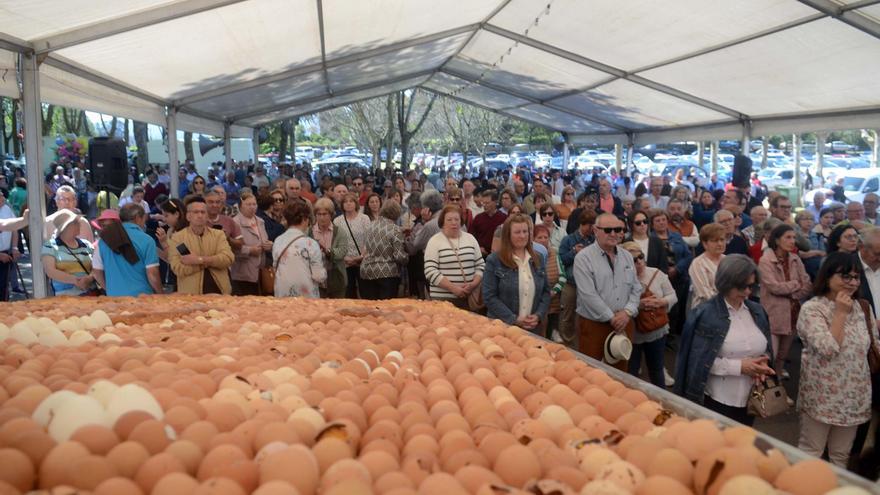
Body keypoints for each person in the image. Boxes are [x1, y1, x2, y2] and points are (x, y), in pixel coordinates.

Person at [797, 252, 878, 467]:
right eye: (845, 276)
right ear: (827, 276)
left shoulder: (862, 307)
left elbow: (874, 344)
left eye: (856, 277)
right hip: (822, 394)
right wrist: (841, 313)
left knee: (841, 456)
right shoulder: (812, 308)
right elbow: (828, 348)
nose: (852, 282)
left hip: (855, 395)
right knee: (811, 452)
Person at [674, 255, 775, 425]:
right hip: (716, 400)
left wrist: (763, 363)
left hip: (751, 400)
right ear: (726, 282)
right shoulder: (704, 314)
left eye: (750, 286)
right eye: (741, 287)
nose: (747, 292)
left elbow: (765, 347)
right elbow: (695, 363)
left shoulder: (757, 311)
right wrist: (739, 367)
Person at [573, 213, 641, 370]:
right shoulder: (583, 258)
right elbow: (588, 295)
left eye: (618, 230)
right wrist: (612, 318)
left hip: (624, 322)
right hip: (594, 325)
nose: (613, 234)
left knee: (621, 372)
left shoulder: (627, 256)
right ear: (596, 230)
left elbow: (636, 288)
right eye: (608, 230)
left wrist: (627, 312)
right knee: (590, 372)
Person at [759, 224, 812, 380]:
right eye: (788, 237)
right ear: (776, 240)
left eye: (794, 238)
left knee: (783, 355)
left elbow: (808, 285)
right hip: (773, 313)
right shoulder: (766, 260)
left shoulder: (795, 259)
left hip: (793, 311)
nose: (792, 241)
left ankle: (778, 388)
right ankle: (765, 392)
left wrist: (793, 294)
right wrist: (796, 285)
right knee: (771, 355)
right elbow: (774, 287)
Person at [621, 241, 677, 388]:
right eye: (634, 260)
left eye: (641, 257)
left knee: (657, 369)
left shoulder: (657, 273)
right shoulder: (620, 279)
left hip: (656, 330)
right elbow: (617, 305)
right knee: (631, 371)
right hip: (633, 333)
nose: (639, 262)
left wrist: (661, 302)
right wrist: (639, 305)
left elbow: (673, 295)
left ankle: (662, 403)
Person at [483, 214, 551, 332]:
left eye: (525, 231)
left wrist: (538, 315)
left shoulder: (538, 258)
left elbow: (545, 292)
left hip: (533, 329)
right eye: (517, 232)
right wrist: (513, 319)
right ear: (508, 235)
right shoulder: (494, 260)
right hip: (502, 328)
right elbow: (489, 297)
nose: (522, 235)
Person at [92, 204, 163, 296]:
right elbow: (153, 275)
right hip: (142, 298)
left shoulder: (103, 241)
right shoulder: (147, 240)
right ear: (138, 218)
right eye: (144, 218)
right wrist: (161, 294)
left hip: (114, 299)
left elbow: (97, 272)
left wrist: (109, 289)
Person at [168, 196, 234, 295]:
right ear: (188, 216)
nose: (200, 215)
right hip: (190, 296)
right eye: (196, 212)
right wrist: (208, 263)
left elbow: (228, 258)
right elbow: (178, 268)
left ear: (207, 216)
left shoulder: (218, 235)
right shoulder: (178, 238)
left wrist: (199, 260)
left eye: (203, 212)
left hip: (220, 293)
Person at [423, 205, 485, 308]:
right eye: (449, 220)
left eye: (457, 219)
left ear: (461, 221)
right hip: (442, 300)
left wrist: (473, 284)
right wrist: (453, 288)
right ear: (442, 222)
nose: (454, 222)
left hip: (469, 297)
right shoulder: (434, 241)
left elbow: (480, 265)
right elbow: (430, 271)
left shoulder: (471, 238)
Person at [558, 210, 596, 349]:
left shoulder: (594, 240)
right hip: (571, 283)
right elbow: (561, 260)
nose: (592, 230)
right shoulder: (568, 240)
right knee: (567, 315)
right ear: (582, 224)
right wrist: (574, 252)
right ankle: (567, 344)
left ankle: (581, 346)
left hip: (588, 285)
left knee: (584, 317)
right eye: (590, 226)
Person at [272, 201, 326, 298]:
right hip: (305, 294)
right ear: (305, 219)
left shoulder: (278, 240)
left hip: (282, 291)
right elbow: (318, 276)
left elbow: (276, 266)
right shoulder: (311, 244)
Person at [41, 210, 97, 296]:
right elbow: (50, 271)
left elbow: (97, 266)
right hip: (65, 298)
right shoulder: (50, 246)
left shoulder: (87, 244)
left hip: (91, 294)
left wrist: (89, 278)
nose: (80, 224)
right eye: (75, 223)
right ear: (65, 227)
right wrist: (75, 281)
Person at [360, 200, 407, 300]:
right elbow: (399, 256)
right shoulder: (394, 229)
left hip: (366, 272)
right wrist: (407, 258)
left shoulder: (369, 226)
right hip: (387, 273)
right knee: (386, 310)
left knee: (370, 310)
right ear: (396, 214)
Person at [231, 193, 272, 296]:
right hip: (243, 273)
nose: (252, 207)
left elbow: (264, 240)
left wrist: (269, 245)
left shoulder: (260, 221)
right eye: (248, 204)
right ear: (240, 206)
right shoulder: (234, 222)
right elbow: (231, 248)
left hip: (260, 270)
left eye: (254, 204)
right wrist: (249, 250)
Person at [333, 192, 370, 298]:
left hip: (362, 260)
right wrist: (345, 258)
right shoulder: (337, 221)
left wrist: (361, 257)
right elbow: (336, 242)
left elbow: (368, 239)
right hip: (345, 262)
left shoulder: (364, 218)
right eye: (345, 202)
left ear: (356, 203)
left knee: (365, 292)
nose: (348, 204)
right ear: (342, 205)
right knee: (349, 293)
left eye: (351, 201)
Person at [310, 198, 347, 298]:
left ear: (331, 214)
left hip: (336, 279)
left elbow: (342, 251)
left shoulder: (339, 232)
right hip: (315, 280)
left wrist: (328, 252)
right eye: (319, 214)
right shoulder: (309, 232)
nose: (322, 217)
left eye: (325, 214)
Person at [689, 223, 727, 310]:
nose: (720, 244)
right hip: (707, 311)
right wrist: (728, 303)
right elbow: (704, 293)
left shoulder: (728, 260)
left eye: (722, 240)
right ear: (705, 244)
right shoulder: (698, 263)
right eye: (715, 241)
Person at [534, 224, 562, 340]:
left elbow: (563, 277)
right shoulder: (530, 256)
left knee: (551, 332)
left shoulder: (555, 253)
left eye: (546, 237)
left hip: (554, 302)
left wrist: (554, 291)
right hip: (536, 303)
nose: (543, 240)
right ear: (533, 239)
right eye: (540, 237)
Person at [470, 189, 507, 257]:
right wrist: (478, 247)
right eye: (483, 203)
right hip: (481, 254)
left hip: (499, 255)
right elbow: (472, 236)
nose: (484, 205)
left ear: (495, 202)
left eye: (487, 203)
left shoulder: (504, 218)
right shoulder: (478, 218)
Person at [0, 190, 20, 301]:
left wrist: (14, 247)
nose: (3, 198)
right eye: (0, 196)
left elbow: (14, 228)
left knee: (4, 288)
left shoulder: (6, 209)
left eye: (2, 196)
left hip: (6, 253)